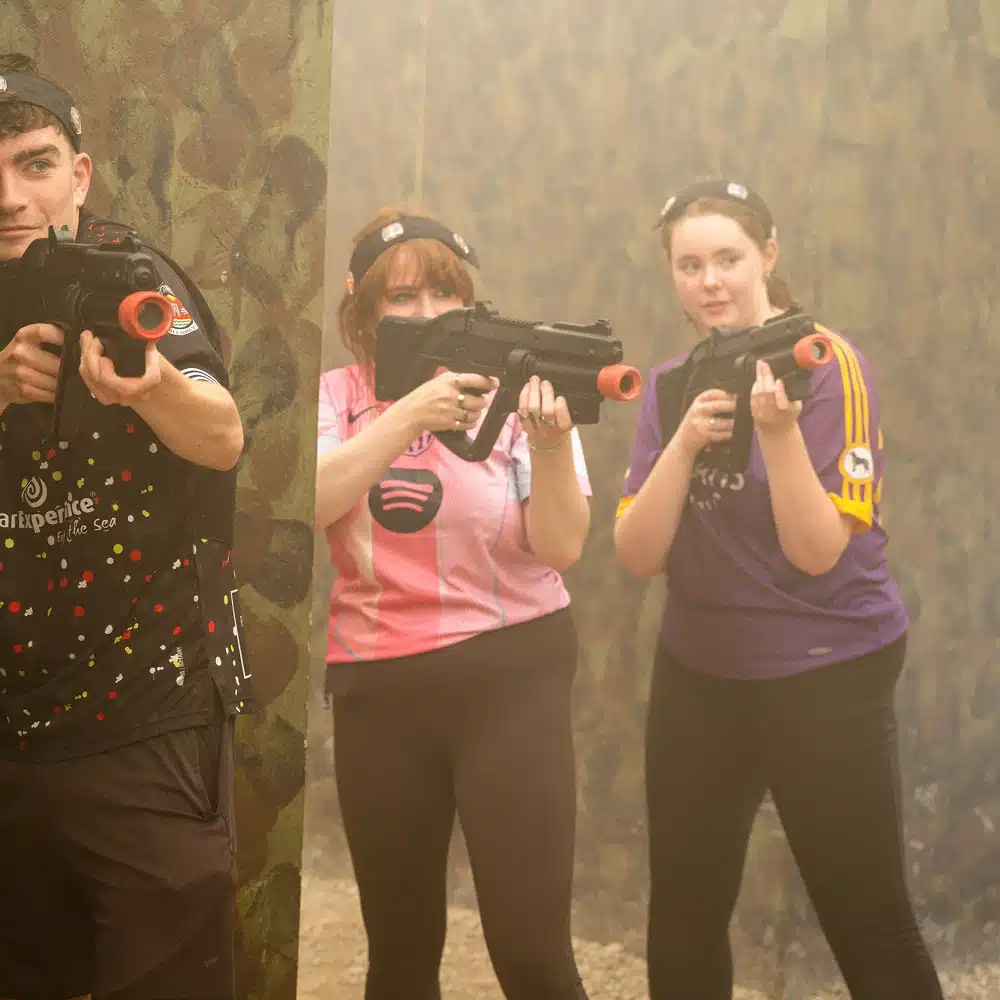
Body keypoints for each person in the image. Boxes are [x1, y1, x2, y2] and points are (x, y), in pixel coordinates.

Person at [614, 179, 944, 1000]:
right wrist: (684, 445)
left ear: (768, 256)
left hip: (827, 668)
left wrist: (777, 432)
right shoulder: (668, 386)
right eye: (689, 265)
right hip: (701, 674)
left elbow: (818, 553)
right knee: (684, 915)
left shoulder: (826, 366)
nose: (710, 282)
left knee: (867, 921)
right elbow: (636, 553)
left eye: (727, 258)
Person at [0, 53, 252, 1000]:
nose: (11, 195)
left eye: (33, 162)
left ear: (80, 172)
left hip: (143, 724)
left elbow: (224, 435)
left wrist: (151, 392)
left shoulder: (129, 272)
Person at [315, 207, 592, 1000]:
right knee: (399, 960)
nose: (427, 312)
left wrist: (544, 440)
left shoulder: (517, 386)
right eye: (401, 297)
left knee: (532, 956)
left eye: (443, 292)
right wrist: (408, 412)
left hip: (514, 679)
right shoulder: (337, 397)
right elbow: (311, 501)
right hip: (379, 689)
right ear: (362, 308)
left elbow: (563, 548)